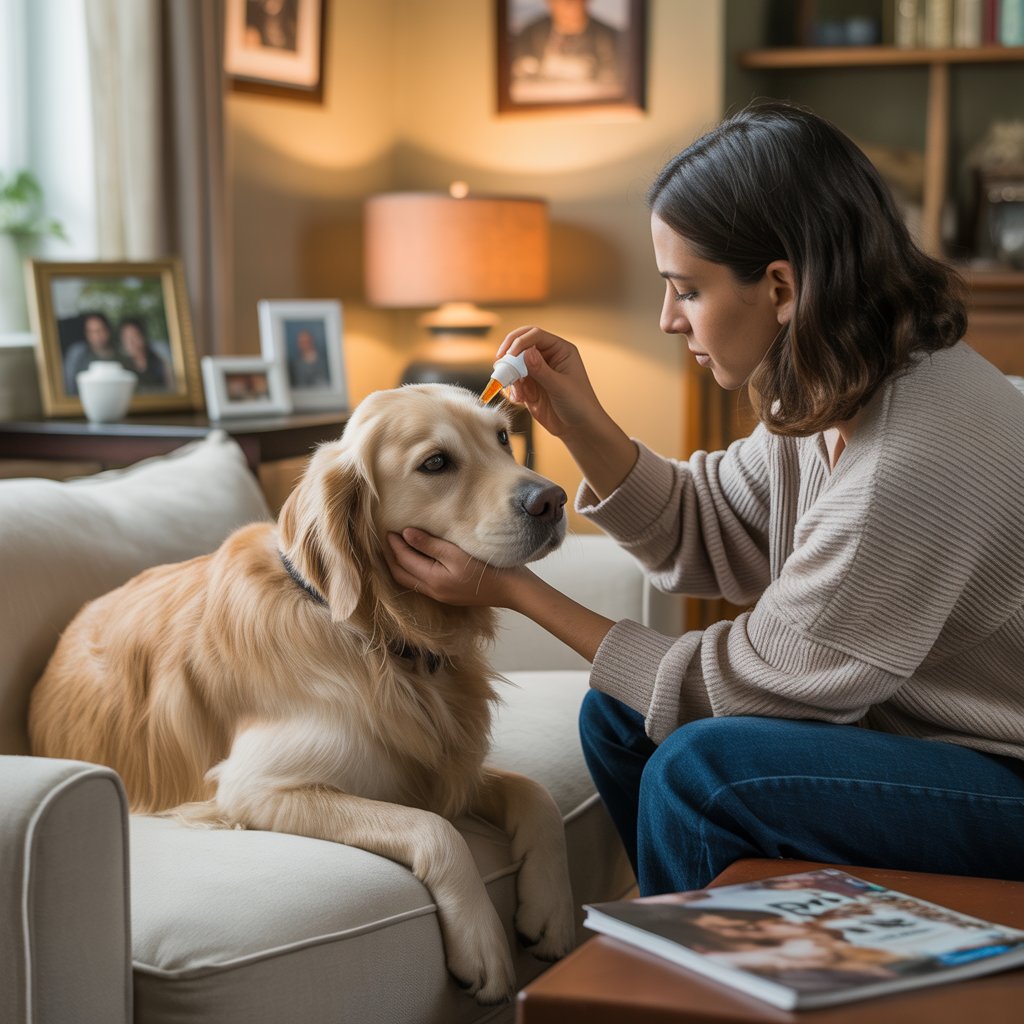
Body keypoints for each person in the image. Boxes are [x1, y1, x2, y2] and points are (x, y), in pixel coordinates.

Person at [386, 99, 1024, 897]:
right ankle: (724, 947)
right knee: (619, 717)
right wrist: (580, 419)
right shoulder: (846, 383)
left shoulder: (909, 459)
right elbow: (708, 526)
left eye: (686, 290)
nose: (666, 320)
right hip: (927, 737)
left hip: (1004, 778)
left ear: (782, 287)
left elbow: (736, 686)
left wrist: (512, 587)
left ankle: (692, 987)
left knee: (699, 769)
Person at [510, 0, 624, 103]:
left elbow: (614, 81)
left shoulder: (610, 38)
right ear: (548, 3)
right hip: (543, 107)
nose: (567, 4)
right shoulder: (529, 35)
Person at [63, 311, 117, 395]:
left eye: (100, 330)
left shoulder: (120, 355)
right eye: (92, 332)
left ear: (108, 331)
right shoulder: (78, 354)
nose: (97, 335)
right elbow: (69, 386)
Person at [116, 317, 172, 392]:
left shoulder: (160, 360)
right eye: (126, 338)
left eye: (134, 336)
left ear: (143, 336)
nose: (131, 342)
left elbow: (172, 388)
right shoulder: (121, 367)